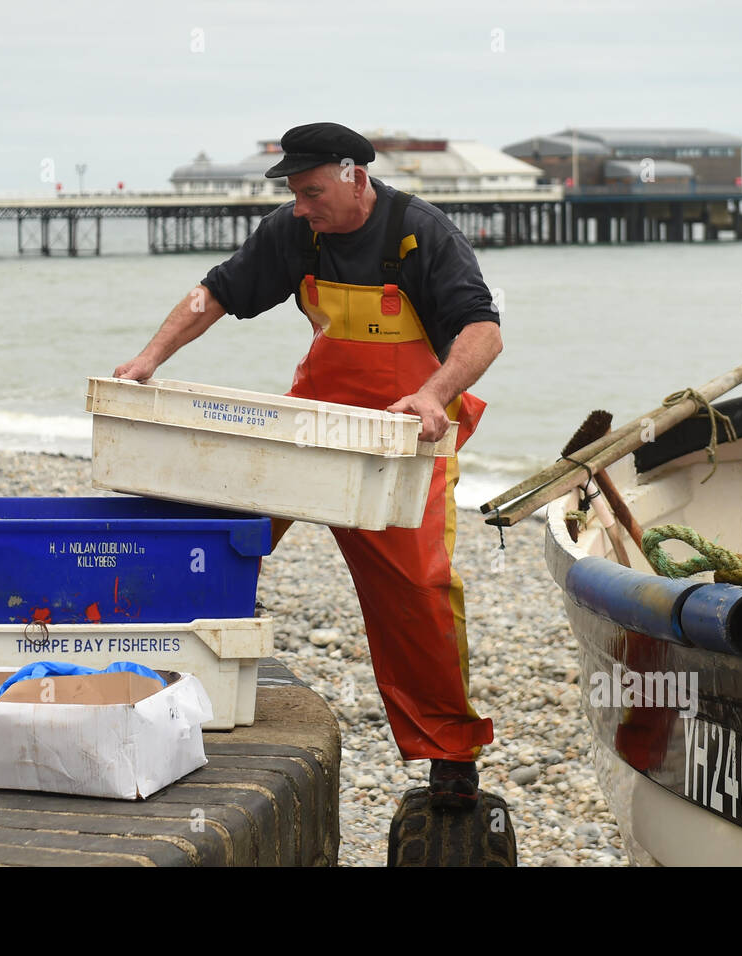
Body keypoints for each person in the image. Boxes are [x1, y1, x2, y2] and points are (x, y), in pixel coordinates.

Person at [114, 122, 503, 810]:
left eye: (312, 190)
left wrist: (434, 393)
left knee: (416, 591)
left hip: (402, 437)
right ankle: (159, 688)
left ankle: (450, 755)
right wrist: (150, 359)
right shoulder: (296, 232)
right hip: (316, 422)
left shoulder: (421, 233)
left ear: (354, 175)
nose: (300, 205)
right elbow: (217, 293)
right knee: (227, 539)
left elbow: (483, 332)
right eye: (293, 192)